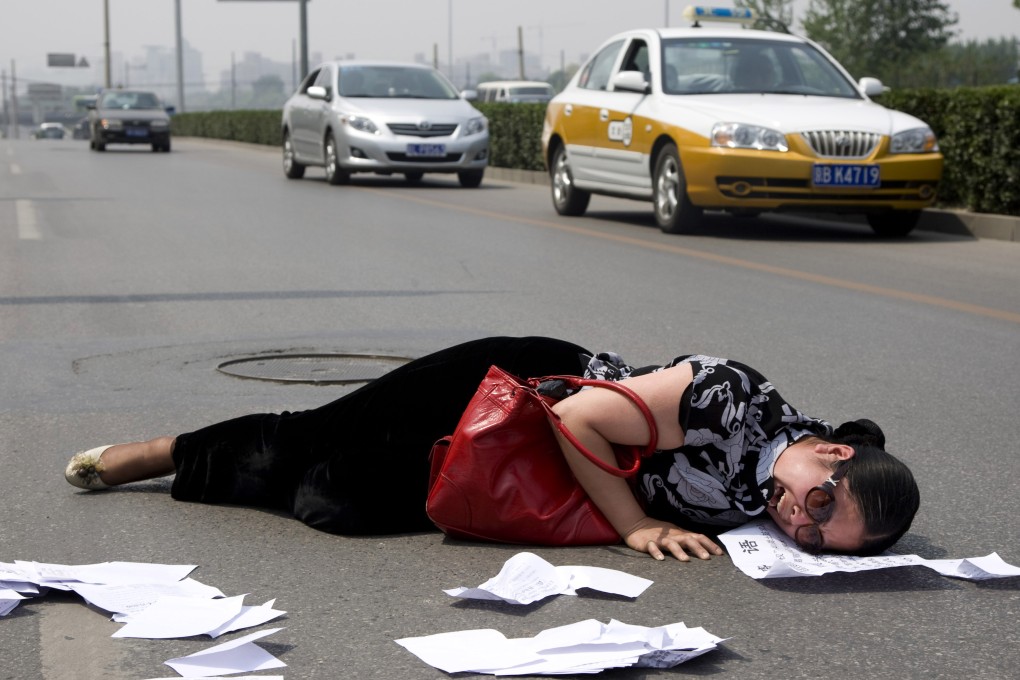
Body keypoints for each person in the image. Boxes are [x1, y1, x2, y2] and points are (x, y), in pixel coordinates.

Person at [64, 336, 919, 562]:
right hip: (508, 394)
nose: (793, 523)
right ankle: (154, 453)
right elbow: (582, 419)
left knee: (338, 506)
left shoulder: (784, 489)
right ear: (835, 456)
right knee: (313, 445)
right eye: (816, 505)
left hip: (539, 475)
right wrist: (631, 529)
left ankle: (224, 471)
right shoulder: (732, 399)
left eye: (812, 539)